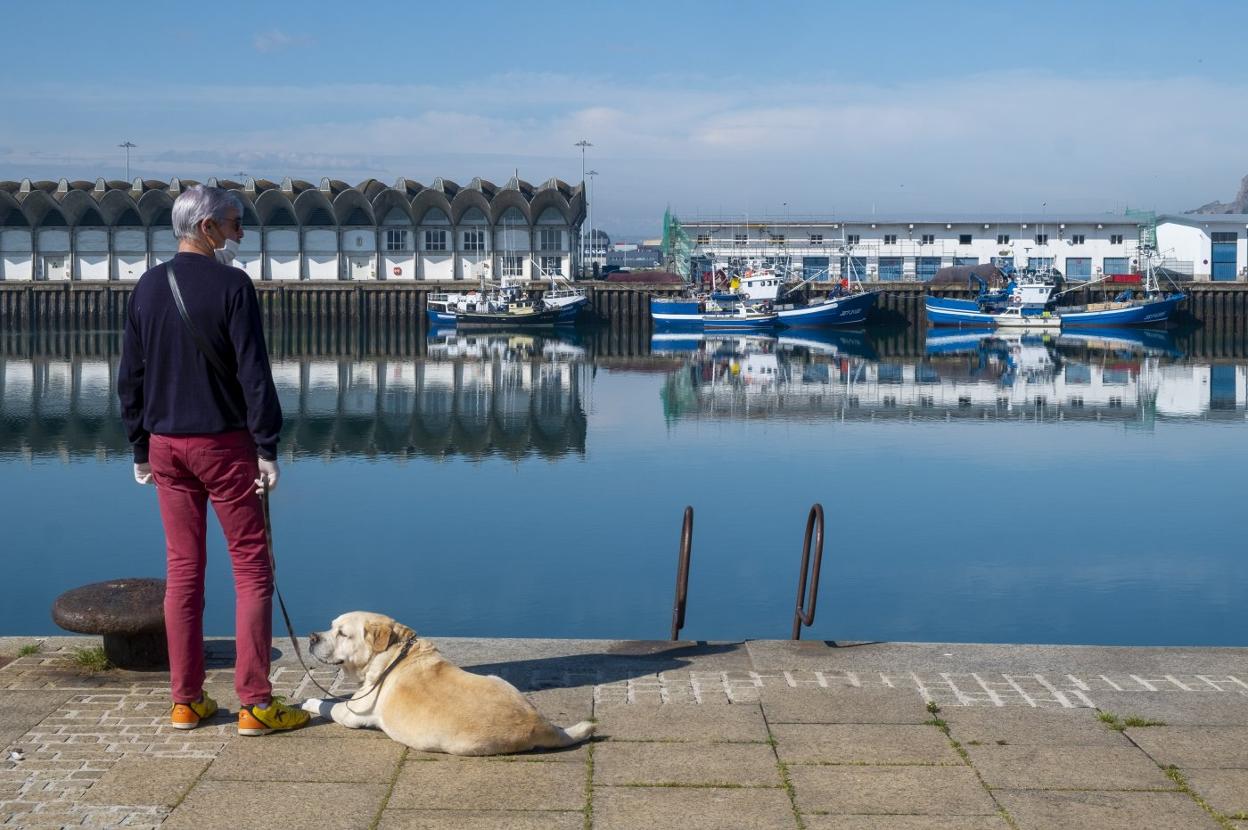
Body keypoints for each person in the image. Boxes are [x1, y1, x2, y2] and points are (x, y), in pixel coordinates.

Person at [117, 185, 309, 736]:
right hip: (224, 446)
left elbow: (130, 375)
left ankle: (186, 701)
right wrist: (267, 445)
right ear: (205, 227)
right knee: (251, 569)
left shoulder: (148, 286)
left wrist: (138, 446)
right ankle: (255, 703)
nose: (239, 231)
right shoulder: (232, 285)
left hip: (164, 447)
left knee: (183, 571)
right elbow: (254, 373)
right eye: (232, 221)